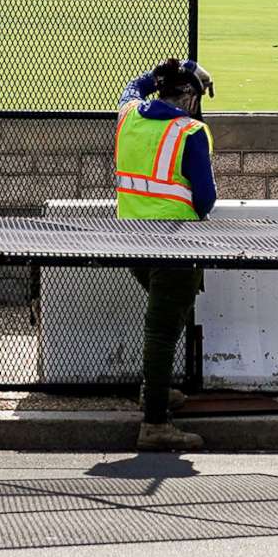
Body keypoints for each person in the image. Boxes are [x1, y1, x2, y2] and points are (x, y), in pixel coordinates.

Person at [115, 57, 217, 452]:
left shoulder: (128, 116)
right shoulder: (190, 132)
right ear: (189, 97)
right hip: (177, 245)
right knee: (161, 330)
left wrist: (154, 74)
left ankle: (155, 390)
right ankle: (155, 421)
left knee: (166, 320)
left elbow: (131, 88)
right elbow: (205, 199)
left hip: (132, 242)